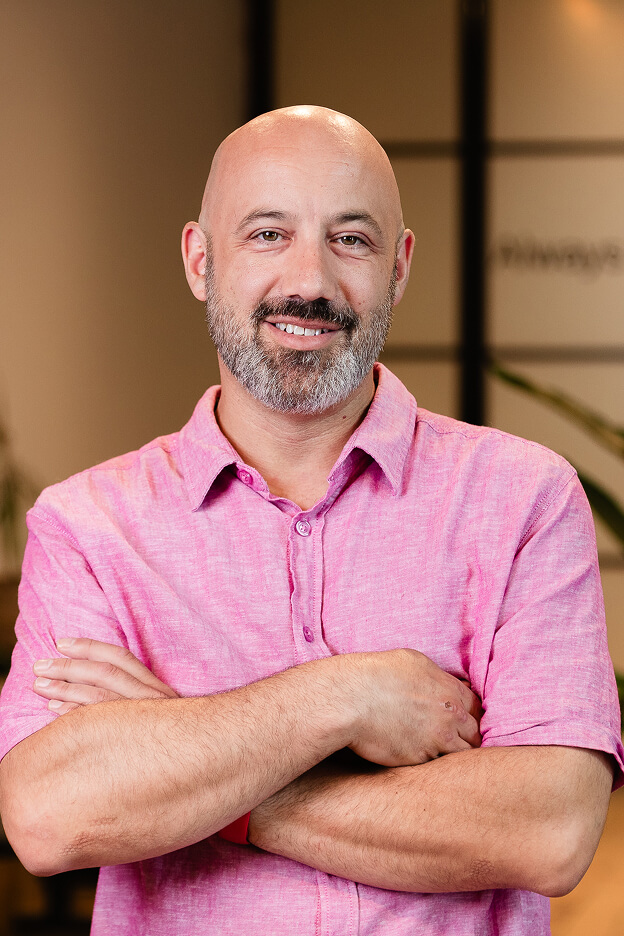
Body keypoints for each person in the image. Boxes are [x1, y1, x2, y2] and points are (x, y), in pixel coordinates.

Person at [0, 105, 622, 936]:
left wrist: (193, 754)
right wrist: (344, 698)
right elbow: (49, 815)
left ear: (399, 268)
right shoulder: (87, 526)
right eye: (267, 233)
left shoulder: (526, 499)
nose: (311, 282)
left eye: (351, 239)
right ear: (199, 259)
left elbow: (550, 832)